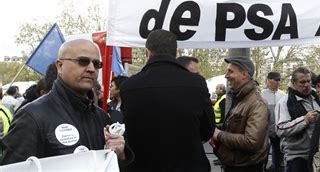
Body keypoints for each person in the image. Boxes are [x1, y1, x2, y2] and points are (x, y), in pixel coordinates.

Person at [1, 39, 130, 165]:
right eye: (82, 61)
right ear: (60, 66)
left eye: (97, 64)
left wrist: (121, 155)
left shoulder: (101, 117)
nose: (91, 68)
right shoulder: (32, 116)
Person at [120, 30, 214, 172]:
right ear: (175, 53)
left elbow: (130, 130)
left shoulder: (129, 86)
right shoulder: (196, 83)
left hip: (144, 166)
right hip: (189, 165)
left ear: (148, 53)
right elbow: (208, 130)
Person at [213, 56, 269, 172]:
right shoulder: (240, 97)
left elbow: (252, 141)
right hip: (235, 164)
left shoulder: (257, 103)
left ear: (244, 74)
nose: (226, 76)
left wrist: (219, 135)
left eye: (230, 71)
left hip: (246, 167)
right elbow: (235, 127)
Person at [275, 67, 320, 172]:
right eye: (302, 82)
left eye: (308, 81)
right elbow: (280, 129)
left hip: (317, 154)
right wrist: (305, 120)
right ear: (294, 83)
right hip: (296, 157)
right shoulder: (284, 102)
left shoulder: (317, 96)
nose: (306, 85)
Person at [261, 72, 286, 172]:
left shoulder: (283, 95)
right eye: (275, 80)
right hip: (265, 130)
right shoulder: (262, 95)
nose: (277, 82)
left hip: (278, 130)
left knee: (279, 153)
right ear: (268, 80)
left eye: (279, 80)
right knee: (263, 153)